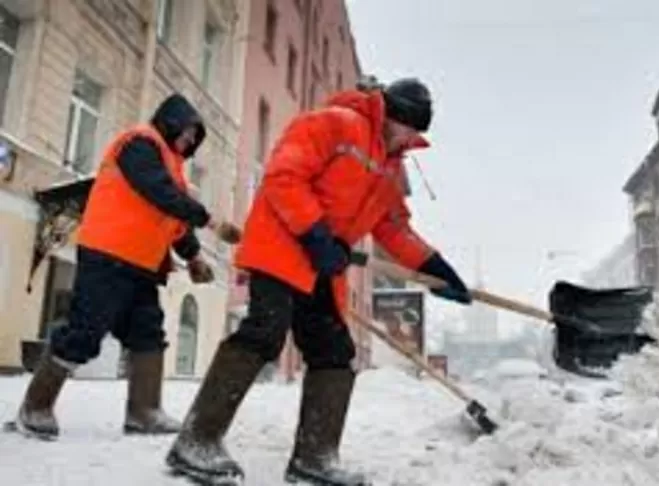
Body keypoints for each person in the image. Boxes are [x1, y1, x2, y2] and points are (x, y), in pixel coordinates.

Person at [165, 77, 472, 486]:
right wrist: (316, 235)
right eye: (410, 128)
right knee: (264, 332)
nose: (412, 138)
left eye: (418, 133)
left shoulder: (391, 167)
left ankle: (315, 457)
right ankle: (196, 442)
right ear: (394, 114)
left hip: (321, 266)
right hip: (281, 246)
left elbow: (394, 228)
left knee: (333, 352)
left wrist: (437, 268)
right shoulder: (334, 123)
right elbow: (283, 177)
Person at [7, 93, 241, 441]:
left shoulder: (173, 168)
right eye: (189, 132)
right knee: (84, 333)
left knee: (147, 333)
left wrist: (193, 257)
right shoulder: (138, 144)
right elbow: (158, 192)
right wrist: (210, 221)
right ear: (172, 120)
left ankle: (144, 412)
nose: (191, 141)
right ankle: (35, 407)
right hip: (107, 255)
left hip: (142, 265)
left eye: (195, 137)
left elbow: (173, 220)